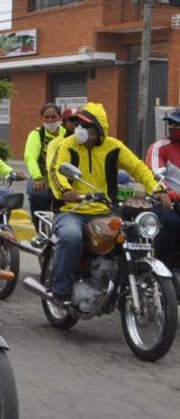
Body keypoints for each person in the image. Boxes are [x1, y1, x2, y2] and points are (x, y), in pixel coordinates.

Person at [48, 102, 167, 303]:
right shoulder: (67, 146)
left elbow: (138, 168)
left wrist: (158, 190)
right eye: (78, 124)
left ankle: (129, 285)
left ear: (99, 128)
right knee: (71, 237)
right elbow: (56, 171)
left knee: (134, 236)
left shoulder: (114, 147)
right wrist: (66, 190)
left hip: (105, 211)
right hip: (72, 210)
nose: (79, 129)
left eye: (85, 125)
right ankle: (60, 289)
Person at [145, 108, 180, 270]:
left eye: (177, 124)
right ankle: (165, 269)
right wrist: (167, 193)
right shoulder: (159, 147)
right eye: (171, 123)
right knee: (172, 223)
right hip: (163, 202)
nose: (173, 126)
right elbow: (154, 174)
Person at [23, 103, 64, 233]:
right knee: (37, 193)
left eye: (54, 117)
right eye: (47, 117)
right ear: (42, 118)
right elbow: (30, 157)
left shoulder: (66, 134)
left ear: (59, 117)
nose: (51, 120)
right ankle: (41, 229)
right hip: (42, 178)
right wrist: (37, 178)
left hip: (63, 177)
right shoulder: (37, 134)